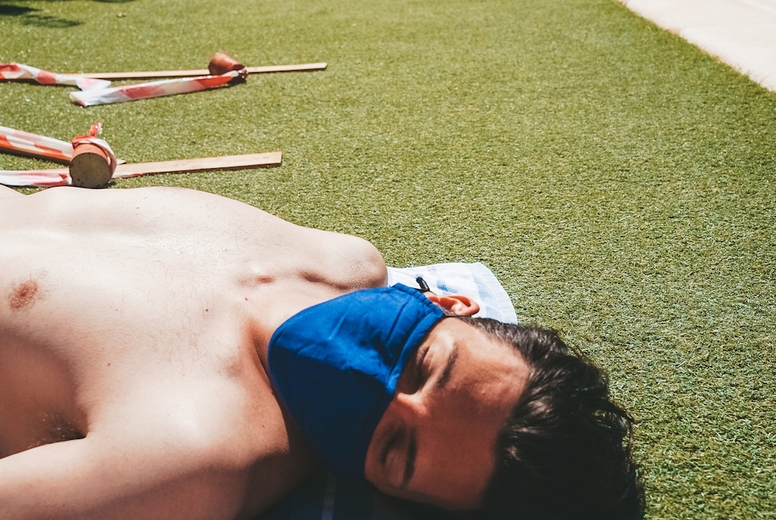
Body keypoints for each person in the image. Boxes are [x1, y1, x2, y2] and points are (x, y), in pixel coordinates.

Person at [0, 184, 644, 520]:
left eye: (393, 448)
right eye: (424, 366)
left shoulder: (195, 458)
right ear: (450, 305)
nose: (364, 379)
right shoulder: (341, 259)